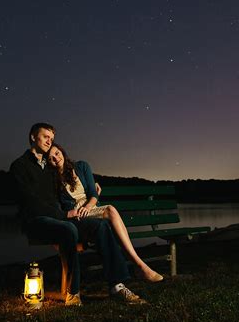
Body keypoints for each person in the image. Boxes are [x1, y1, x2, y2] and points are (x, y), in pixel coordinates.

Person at [10, 122, 146, 306]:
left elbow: (68, 178)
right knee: (68, 229)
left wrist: (93, 185)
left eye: (51, 138)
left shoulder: (50, 169)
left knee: (101, 226)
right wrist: (66, 215)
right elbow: (32, 204)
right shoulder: (20, 166)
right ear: (33, 137)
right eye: (45, 137)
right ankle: (73, 294)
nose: (49, 141)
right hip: (37, 221)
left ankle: (117, 285)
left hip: (59, 219)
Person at [49, 144, 163, 282]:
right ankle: (139, 266)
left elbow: (93, 193)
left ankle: (138, 266)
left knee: (110, 211)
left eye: (56, 152)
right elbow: (57, 208)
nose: (56, 158)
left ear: (62, 151)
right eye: (51, 158)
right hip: (77, 216)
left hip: (90, 208)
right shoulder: (52, 180)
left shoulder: (81, 166)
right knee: (109, 213)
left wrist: (89, 207)